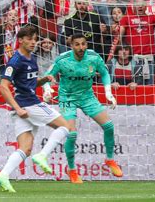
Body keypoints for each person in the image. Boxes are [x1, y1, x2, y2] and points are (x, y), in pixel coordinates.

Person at [0, 25, 70, 193]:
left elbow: (29, 84)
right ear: (20, 40)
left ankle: (3, 175)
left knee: (25, 149)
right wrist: (18, 109)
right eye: (29, 39)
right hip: (28, 104)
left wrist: (43, 80)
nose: (33, 42)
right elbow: (3, 86)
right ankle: (42, 155)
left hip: (25, 106)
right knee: (66, 127)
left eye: (35, 39)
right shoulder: (15, 60)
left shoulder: (31, 58)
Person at [43, 33, 121, 184]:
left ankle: (110, 159)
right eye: (77, 44)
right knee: (71, 134)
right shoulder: (62, 60)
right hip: (67, 98)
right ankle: (72, 170)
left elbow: (104, 73)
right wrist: (47, 89)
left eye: (83, 44)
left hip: (87, 97)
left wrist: (108, 93)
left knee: (109, 126)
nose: (81, 47)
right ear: (71, 45)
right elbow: (47, 76)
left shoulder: (93, 57)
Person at [119, 0, 155, 85]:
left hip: (148, 59)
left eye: (142, 5)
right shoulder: (126, 18)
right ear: (134, 6)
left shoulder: (152, 17)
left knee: (149, 87)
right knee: (134, 85)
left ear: (146, 6)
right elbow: (119, 35)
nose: (140, 6)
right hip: (133, 59)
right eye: (138, 4)